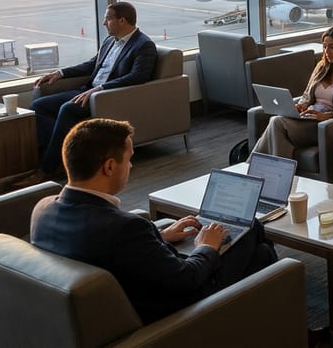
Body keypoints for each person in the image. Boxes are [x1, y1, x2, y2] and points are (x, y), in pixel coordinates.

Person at [30, 118, 278, 324]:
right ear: (108, 167)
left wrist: (158, 236)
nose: (130, 166)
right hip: (171, 313)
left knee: (258, 253)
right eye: (128, 159)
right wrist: (206, 246)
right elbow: (187, 280)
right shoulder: (125, 228)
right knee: (256, 239)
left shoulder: (43, 210)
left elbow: (105, 248)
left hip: (116, 300)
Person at [30, 1, 157, 180]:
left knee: (67, 109)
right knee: (38, 106)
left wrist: (101, 88)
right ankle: (62, 157)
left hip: (107, 96)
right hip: (88, 90)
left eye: (108, 19)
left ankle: (47, 169)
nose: (104, 23)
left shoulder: (143, 45)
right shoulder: (109, 41)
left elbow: (138, 77)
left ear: (122, 21)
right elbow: (92, 65)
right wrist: (60, 73)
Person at [253, 26, 333, 158]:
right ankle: (272, 173)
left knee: (277, 122)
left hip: (326, 125)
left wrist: (328, 115)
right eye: (324, 47)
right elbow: (306, 95)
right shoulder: (321, 67)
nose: (326, 52)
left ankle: (251, 170)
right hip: (309, 117)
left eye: (332, 47)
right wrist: (302, 105)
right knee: (277, 126)